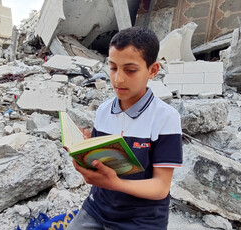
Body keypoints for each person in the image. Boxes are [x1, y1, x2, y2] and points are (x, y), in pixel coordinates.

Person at [66, 27, 183, 230]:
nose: (118, 79)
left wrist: (115, 183)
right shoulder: (103, 111)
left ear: (153, 70)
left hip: (141, 219)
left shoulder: (165, 118)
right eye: (113, 68)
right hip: (97, 207)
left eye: (130, 70)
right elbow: (100, 161)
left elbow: (161, 187)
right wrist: (83, 150)